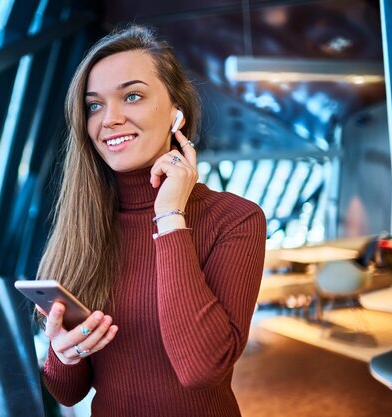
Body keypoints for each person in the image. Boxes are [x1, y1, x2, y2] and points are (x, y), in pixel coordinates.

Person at [35, 25, 266, 417]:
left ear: (177, 112)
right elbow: (68, 393)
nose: (110, 119)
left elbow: (200, 370)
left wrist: (169, 215)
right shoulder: (85, 225)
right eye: (94, 105)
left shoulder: (235, 220)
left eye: (133, 96)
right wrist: (63, 354)